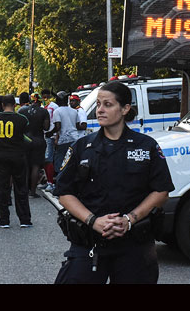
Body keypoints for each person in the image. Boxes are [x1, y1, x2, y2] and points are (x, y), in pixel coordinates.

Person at [53, 81, 174, 284]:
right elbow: (64, 193)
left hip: (134, 244)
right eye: (98, 104)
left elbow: (161, 191)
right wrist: (93, 221)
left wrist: (129, 219)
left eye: (107, 105)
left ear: (125, 108)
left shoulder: (146, 146)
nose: (100, 110)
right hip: (90, 243)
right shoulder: (82, 147)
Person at [0, 94, 32, 228]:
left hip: (1, 155)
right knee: (21, 187)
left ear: (3, 105)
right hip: (18, 155)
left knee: (2, 188)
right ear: (15, 105)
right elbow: (27, 138)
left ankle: (4, 220)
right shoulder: (22, 119)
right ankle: (24, 220)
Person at [19, 91, 50, 197]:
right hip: (38, 140)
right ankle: (32, 191)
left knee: (26, 165)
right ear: (40, 101)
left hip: (25, 139)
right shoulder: (43, 112)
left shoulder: (22, 110)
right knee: (36, 166)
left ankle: (24, 190)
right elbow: (46, 127)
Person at [52, 91, 80, 181]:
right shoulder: (74, 111)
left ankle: (61, 181)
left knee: (60, 162)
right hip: (74, 139)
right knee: (72, 161)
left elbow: (58, 126)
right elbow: (78, 125)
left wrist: (49, 133)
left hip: (63, 140)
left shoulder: (57, 111)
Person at [41, 89, 59, 192]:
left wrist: (55, 134)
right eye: (43, 95)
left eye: (46, 95)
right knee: (46, 159)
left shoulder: (54, 106)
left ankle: (51, 183)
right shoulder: (44, 106)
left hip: (51, 135)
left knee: (49, 158)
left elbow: (56, 121)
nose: (45, 97)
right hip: (45, 135)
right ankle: (48, 181)